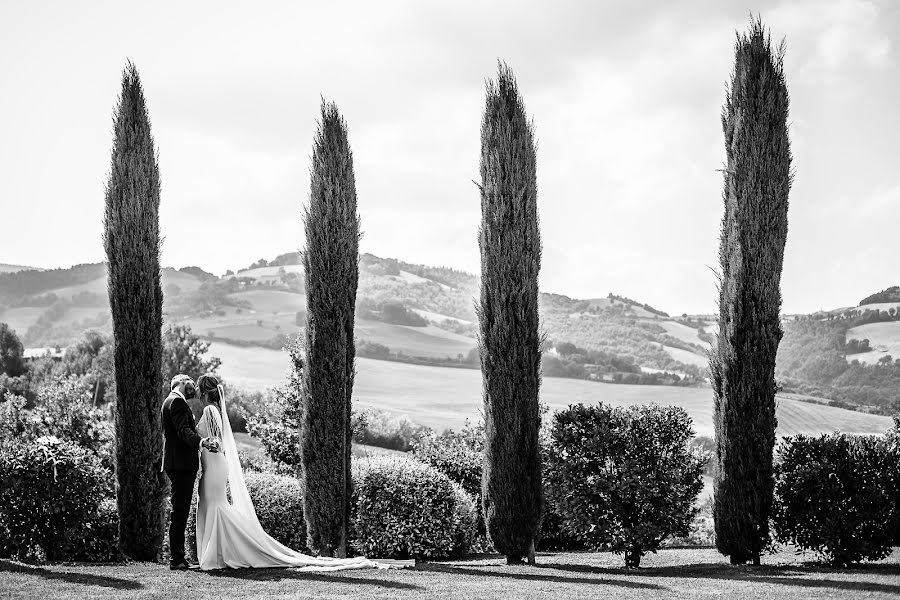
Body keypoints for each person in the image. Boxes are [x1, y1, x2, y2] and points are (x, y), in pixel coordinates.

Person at [193, 374, 412, 571]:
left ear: (204, 391)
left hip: (213, 465)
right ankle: (222, 550)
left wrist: (204, 444)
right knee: (216, 506)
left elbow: (217, 442)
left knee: (216, 506)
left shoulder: (209, 410)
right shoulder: (216, 410)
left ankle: (223, 552)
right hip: (214, 465)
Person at [160, 374, 220, 570]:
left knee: (180, 509)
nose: (194, 387)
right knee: (180, 511)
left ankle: (179, 557)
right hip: (181, 464)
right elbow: (184, 431)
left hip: (178, 463)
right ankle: (176, 559)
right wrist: (202, 442)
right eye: (191, 383)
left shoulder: (171, 401)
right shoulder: (176, 402)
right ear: (181, 382)